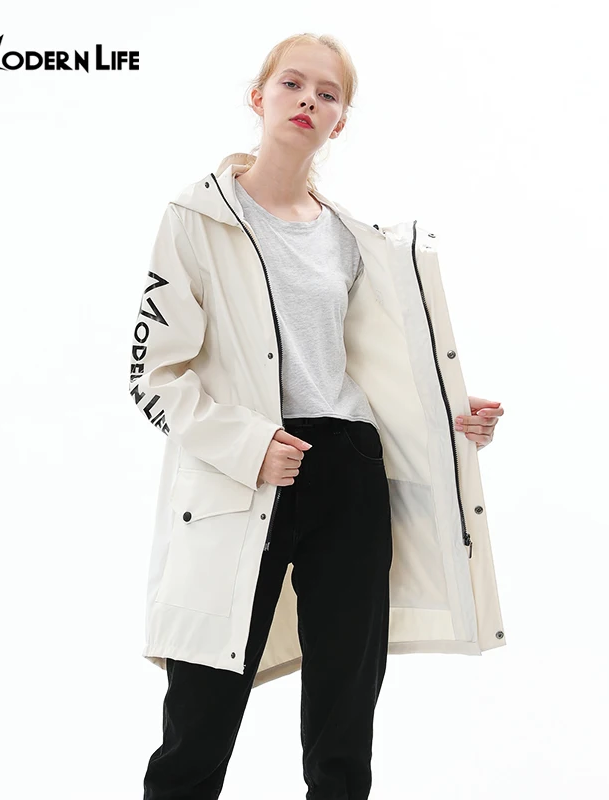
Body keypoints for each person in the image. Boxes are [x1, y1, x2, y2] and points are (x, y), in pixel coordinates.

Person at [130, 30, 505, 800]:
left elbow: (367, 370)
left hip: (351, 474)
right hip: (247, 475)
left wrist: (449, 413)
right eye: (293, 83)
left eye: (327, 94)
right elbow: (153, 375)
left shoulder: (355, 242)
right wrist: (248, 446)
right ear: (258, 96)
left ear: (340, 122)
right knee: (199, 720)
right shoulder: (195, 217)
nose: (308, 100)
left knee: (343, 726)